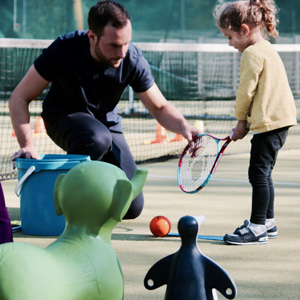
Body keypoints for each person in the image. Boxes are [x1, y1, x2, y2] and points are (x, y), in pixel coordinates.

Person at [9, 1, 201, 220]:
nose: (122, 52)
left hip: (106, 125)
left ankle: (86, 199)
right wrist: (27, 145)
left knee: (130, 205)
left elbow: (159, 106)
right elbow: (19, 97)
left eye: (126, 43)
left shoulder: (132, 59)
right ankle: (59, 200)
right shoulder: (64, 48)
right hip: (63, 117)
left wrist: (184, 126)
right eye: (114, 45)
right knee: (96, 138)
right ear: (92, 37)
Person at [213, 0, 297, 245]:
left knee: (257, 174)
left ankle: (257, 227)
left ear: (244, 30)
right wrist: (248, 122)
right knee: (265, 173)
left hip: (270, 124)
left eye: (229, 37)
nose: (230, 44)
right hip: (280, 122)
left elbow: (246, 91)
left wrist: (241, 122)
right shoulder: (267, 48)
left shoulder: (251, 53)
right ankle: (268, 223)